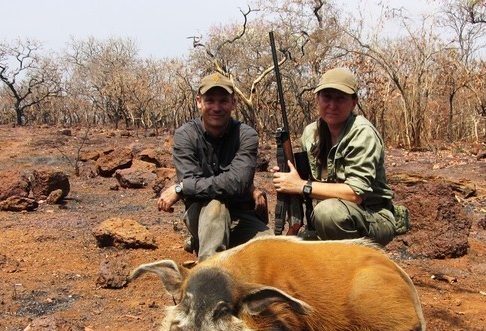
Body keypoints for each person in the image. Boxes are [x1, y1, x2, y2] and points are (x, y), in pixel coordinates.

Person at [273, 67, 398, 246]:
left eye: (340, 98)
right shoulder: (310, 133)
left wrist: (301, 186)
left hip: (373, 216)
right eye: (327, 97)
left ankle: (354, 267)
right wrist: (288, 178)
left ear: (354, 102)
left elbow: (355, 194)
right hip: (330, 218)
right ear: (318, 99)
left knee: (328, 213)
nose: (332, 105)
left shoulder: (362, 133)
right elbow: (304, 181)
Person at [158, 72, 270, 261]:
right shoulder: (185, 135)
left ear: (233, 103)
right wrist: (190, 186)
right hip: (202, 214)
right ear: (199, 102)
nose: (216, 108)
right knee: (216, 207)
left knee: (269, 249)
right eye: (210, 100)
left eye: (223, 101)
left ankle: (201, 243)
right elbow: (228, 183)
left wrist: (183, 188)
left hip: (239, 214)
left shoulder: (246, 135)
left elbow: (237, 183)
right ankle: (207, 279)